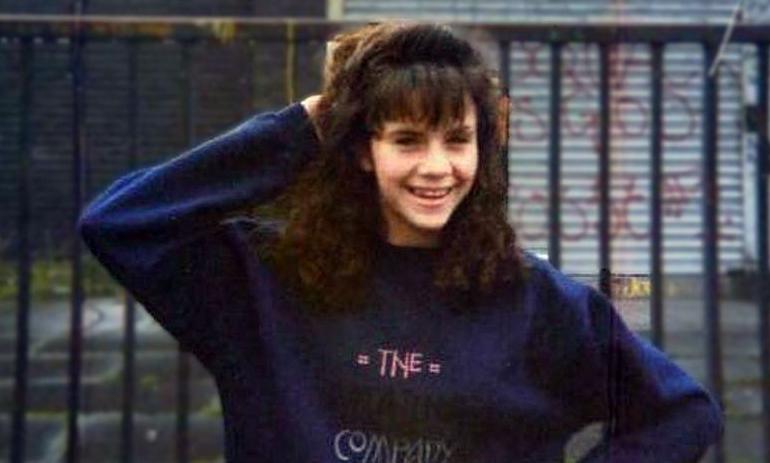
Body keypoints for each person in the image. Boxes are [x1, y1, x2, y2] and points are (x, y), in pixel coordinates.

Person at [78, 22, 723, 463]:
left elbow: (682, 413)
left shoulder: (534, 300)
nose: (437, 168)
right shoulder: (265, 279)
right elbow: (119, 223)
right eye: (408, 140)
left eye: (458, 140)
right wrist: (302, 129)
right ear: (362, 150)